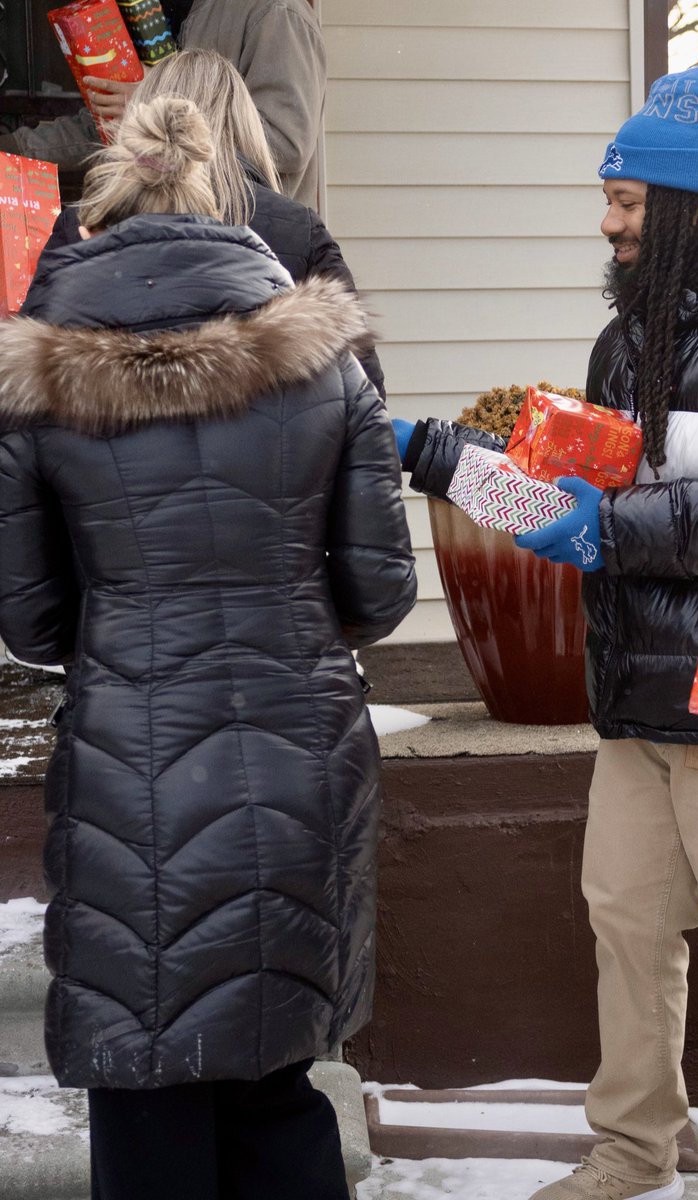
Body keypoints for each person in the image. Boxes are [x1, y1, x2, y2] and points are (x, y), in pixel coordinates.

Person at [398, 46, 698, 1200]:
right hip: (640, 691)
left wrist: (610, 531)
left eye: (624, 203)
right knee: (624, 917)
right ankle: (635, 1144)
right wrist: (451, 465)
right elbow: (587, 502)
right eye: (607, 202)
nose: (607, 226)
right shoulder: (628, 338)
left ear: (689, 207)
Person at [0, 94, 415, 1200]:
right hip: (300, 758)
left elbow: (31, 622)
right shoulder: (327, 361)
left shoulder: (38, 380)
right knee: (275, 1076)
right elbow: (378, 593)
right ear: (219, 201)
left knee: (148, 1086)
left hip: (131, 765)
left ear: (99, 217)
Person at [37, 46, 385, 398]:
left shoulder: (86, 221)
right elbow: (365, 392)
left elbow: (33, 377)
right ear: (245, 124)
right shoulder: (299, 229)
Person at [3, 0, 325, 208]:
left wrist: (157, 100)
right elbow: (111, 118)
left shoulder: (279, 11)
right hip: (177, 244)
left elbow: (286, 142)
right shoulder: (159, 11)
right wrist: (12, 150)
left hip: (257, 251)